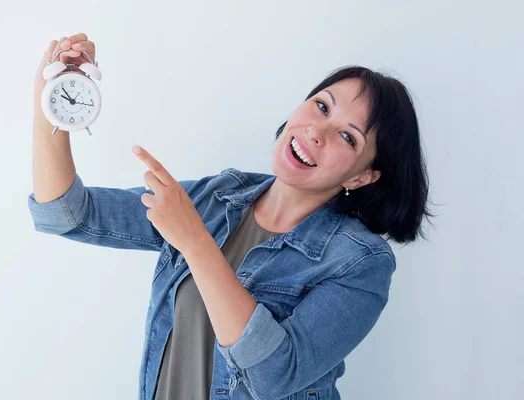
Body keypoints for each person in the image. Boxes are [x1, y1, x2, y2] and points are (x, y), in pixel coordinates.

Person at [29, 33, 433, 400]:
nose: (316, 132)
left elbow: (272, 376)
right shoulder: (219, 197)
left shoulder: (360, 264)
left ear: (364, 175)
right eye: (321, 106)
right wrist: (53, 99)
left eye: (348, 136)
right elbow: (67, 214)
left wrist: (194, 241)